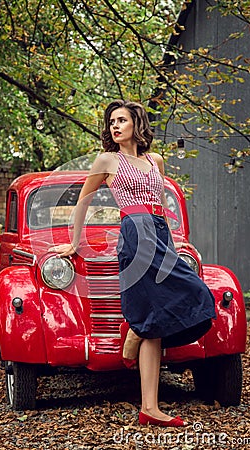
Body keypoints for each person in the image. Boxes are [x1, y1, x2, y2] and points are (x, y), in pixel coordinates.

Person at [53, 99, 216, 427]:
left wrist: (174, 238)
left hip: (160, 233)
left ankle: (135, 334)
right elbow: (82, 201)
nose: (115, 126)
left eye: (122, 120)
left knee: (197, 292)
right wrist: (74, 241)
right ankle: (150, 407)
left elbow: (161, 202)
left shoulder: (156, 160)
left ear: (136, 125)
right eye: (112, 121)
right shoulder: (107, 160)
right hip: (135, 235)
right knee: (152, 318)